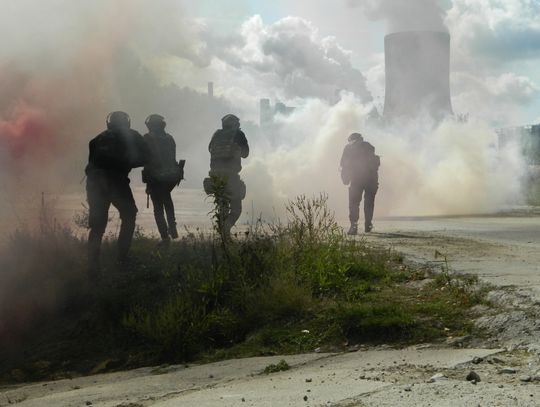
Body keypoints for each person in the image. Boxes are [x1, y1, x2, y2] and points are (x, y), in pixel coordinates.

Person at [85, 111, 149, 276]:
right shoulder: (131, 135)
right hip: (115, 181)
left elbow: (91, 162)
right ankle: (122, 258)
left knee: (97, 225)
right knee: (129, 215)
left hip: (93, 182)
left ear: (109, 123)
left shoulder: (96, 139)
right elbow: (146, 156)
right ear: (126, 123)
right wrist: (128, 162)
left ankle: (92, 264)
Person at [203, 114, 249, 235]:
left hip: (216, 176)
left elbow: (210, 149)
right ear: (235, 124)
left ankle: (224, 239)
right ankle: (225, 230)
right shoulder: (238, 135)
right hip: (231, 177)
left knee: (222, 209)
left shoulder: (216, 134)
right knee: (236, 210)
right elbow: (245, 154)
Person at [142, 114, 183, 243]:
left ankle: (165, 236)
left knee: (158, 207)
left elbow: (144, 159)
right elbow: (172, 157)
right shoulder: (169, 138)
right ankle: (173, 228)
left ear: (150, 126)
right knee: (167, 199)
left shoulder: (147, 138)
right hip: (171, 177)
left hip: (155, 178)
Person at [340, 132, 380, 235]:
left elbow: (344, 164)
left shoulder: (349, 148)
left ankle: (354, 226)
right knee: (369, 203)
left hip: (357, 180)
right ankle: (368, 225)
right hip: (371, 179)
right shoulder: (370, 147)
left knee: (354, 203)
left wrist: (346, 179)